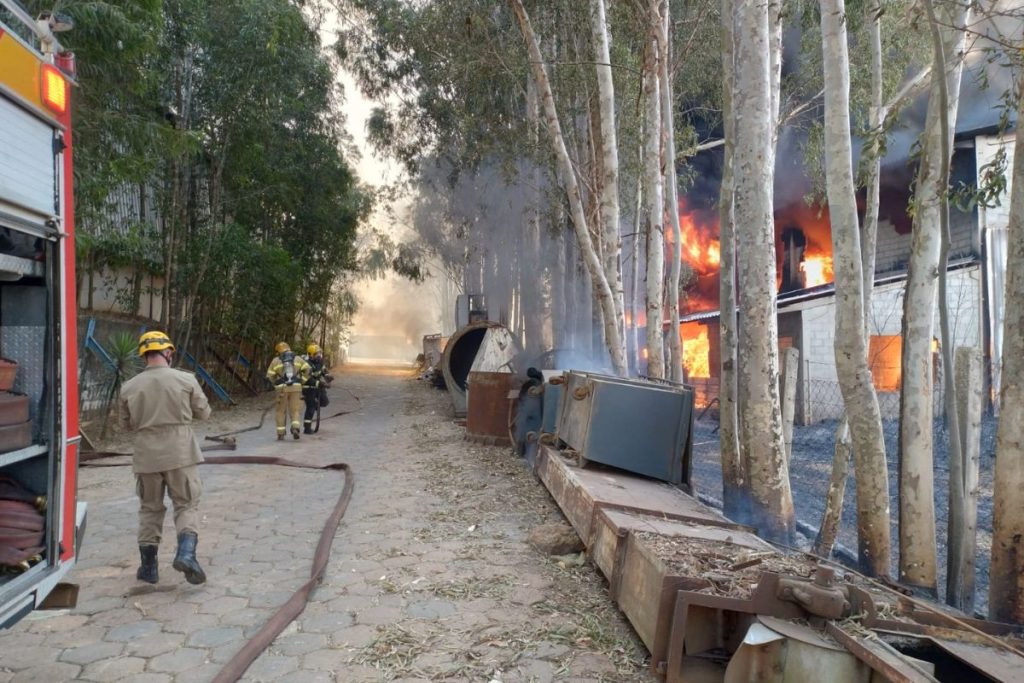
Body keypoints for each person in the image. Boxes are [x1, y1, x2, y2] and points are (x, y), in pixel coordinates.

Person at [119, 331, 211, 585]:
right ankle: (186, 554)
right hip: (180, 452)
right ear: (168, 353)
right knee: (186, 504)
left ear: (144, 355)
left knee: (150, 508)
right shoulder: (186, 379)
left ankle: (148, 569)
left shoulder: (129, 387)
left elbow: (125, 425)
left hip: (146, 456)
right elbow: (204, 413)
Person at [266, 342, 310, 440]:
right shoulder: (298, 359)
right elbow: (308, 370)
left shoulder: (275, 361)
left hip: (282, 389)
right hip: (296, 388)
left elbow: (269, 376)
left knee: (280, 411)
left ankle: (281, 434)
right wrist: (302, 381)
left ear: (278, 351)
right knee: (295, 410)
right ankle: (295, 428)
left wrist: (276, 384)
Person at [301, 344, 334, 434]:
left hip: (318, 387)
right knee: (310, 408)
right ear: (311, 355)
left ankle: (315, 404)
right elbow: (307, 379)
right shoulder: (306, 364)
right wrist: (319, 383)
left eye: (320, 353)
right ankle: (307, 428)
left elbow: (324, 371)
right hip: (309, 388)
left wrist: (328, 377)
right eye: (316, 354)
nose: (319, 355)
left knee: (325, 402)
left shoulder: (320, 362)